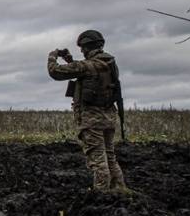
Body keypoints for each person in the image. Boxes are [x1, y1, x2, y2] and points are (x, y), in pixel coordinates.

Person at [47, 30, 131, 193]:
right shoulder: (109, 64)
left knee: (98, 159)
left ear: (87, 47)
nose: (82, 51)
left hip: (92, 120)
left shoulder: (86, 66)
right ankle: (120, 190)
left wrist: (53, 55)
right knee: (110, 156)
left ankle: (101, 194)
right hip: (108, 117)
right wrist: (71, 61)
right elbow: (88, 72)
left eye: (83, 48)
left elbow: (55, 72)